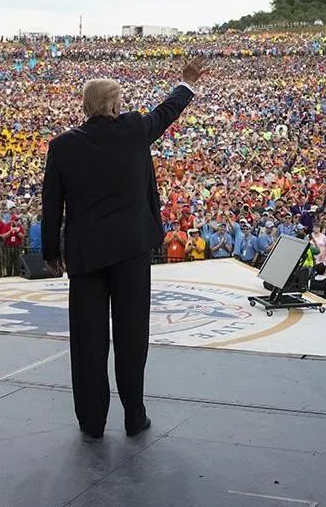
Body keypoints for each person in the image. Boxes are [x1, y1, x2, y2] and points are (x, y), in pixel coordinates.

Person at [41, 57, 207, 441]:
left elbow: (52, 206)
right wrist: (185, 82)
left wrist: (51, 252)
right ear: (116, 106)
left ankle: (92, 422)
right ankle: (135, 415)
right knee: (132, 336)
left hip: (86, 257)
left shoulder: (63, 146)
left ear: (86, 107)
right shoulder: (133, 129)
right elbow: (167, 112)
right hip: (131, 252)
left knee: (88, 342)